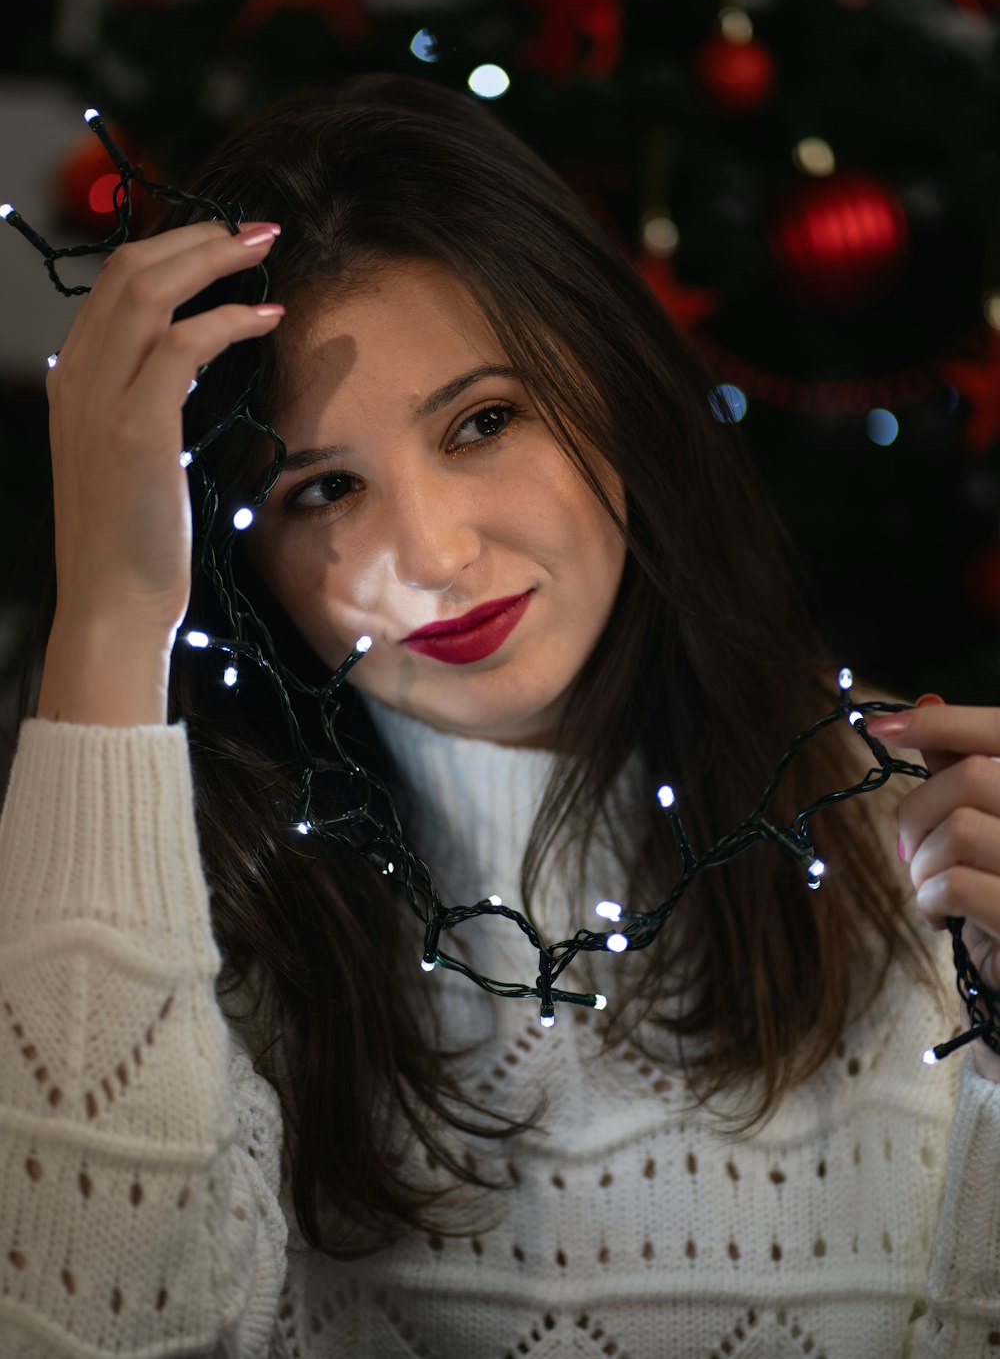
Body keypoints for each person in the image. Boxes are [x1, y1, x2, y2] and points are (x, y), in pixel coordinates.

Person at [0, 72, 998, 1359]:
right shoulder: (175, 917)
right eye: (319, 491)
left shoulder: (918, 829)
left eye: (482, 421)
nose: (427, 553)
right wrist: (110, 613)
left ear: (611, 389)